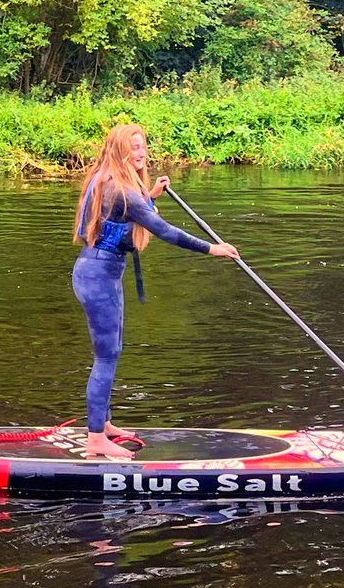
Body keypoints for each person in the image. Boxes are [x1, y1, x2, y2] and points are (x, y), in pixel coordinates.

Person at [72, 123, 240, 459]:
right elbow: (165, 230)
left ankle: (103, 425)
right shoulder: (122, 191)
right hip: (98, 277)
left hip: (99, 272)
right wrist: (212, 249)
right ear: (120, 151)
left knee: (111, 351)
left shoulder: (105, 179)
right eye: (134, 148)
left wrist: (149, 196)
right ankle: (95, 440)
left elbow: (121, 211)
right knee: (106, 356)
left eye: (143, 146)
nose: (141, 152)